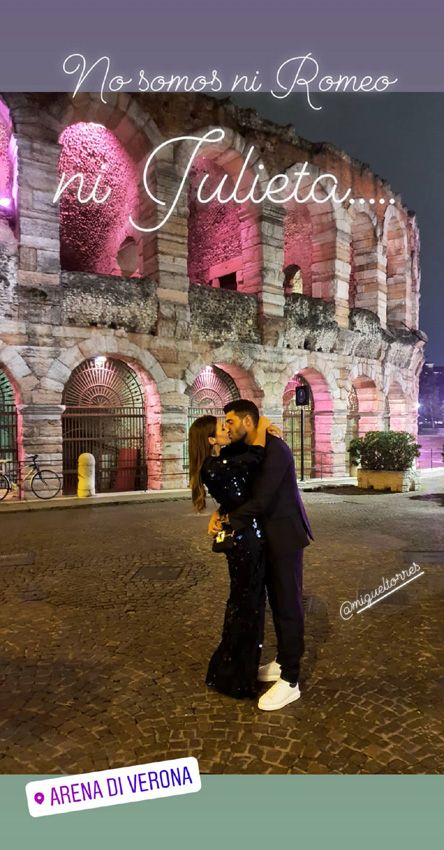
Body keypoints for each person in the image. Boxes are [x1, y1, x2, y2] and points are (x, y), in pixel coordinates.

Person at [208, 399, 313, 712]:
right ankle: (282, 662)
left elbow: (262, 500)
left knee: (287, 605)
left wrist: (227, 521)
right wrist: (219, 512)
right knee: (273, 602)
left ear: (247, 422)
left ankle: (291, 679)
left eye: (230, 422)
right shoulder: (252, 451)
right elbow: (241, 493)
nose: (226, 427)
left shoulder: (276, 449)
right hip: (263, 538)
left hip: (283, 536)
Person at [188, 413, 276, 699]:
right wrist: (261, 425)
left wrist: (219, 512)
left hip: (246, 538)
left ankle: (233, 670)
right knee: (246, 604)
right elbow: (256, 456)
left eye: (228, 423)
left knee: (245, 603)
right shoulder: (216, 466)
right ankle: (234, 676)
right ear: (211, 440)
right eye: (221, 427)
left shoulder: (218, 462)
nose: (227, 428)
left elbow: (236, 486)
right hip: (246, 541)